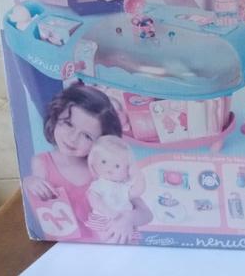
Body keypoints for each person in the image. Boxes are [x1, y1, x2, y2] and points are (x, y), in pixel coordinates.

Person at [22, 84, 151, 242]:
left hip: (110, 245)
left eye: (87, 136)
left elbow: (146, 213)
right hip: (65, 247)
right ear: (55, 117)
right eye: (68, 124)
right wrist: (29, 182)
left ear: (102, 142)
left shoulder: (103, 168)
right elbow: (36, 196)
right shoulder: (42, 162)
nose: (73, 138)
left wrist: (129, 219)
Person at [86, 135, 146, 239]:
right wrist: (108, 212)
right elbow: (94, 200)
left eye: (117, 166)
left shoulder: (124, 187)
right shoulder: (99, 184)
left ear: (127, 170)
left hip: (125, 222)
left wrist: (139, 176)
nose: (110, 169)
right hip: (104, 220)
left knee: (130, 240)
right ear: (93, 163)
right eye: (104, 162)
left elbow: (137, 191)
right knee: (107, 239)